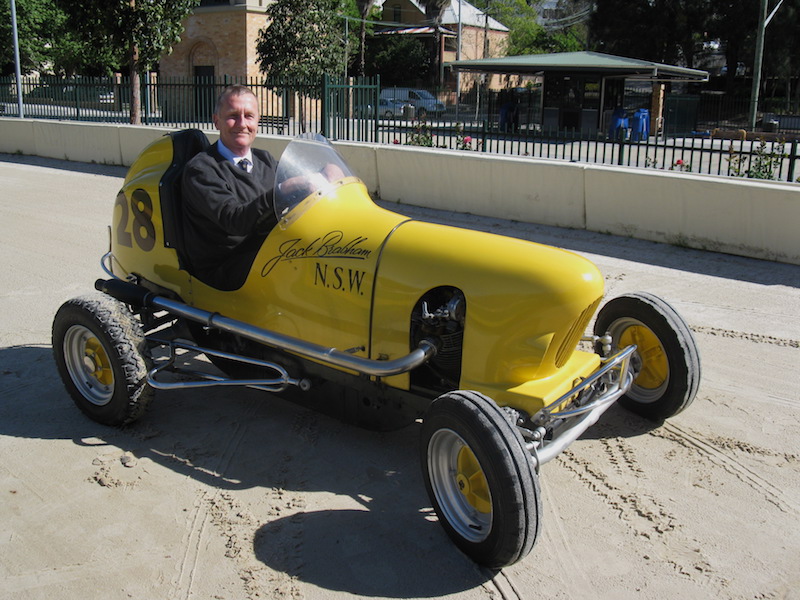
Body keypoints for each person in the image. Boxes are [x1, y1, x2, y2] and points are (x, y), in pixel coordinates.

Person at [182, 84, 278, 291]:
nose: (242, 124)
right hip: (224, 268)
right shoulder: (201, 169)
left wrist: (322, 175)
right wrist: (281, 193)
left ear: (258, 121)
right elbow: (234, 220)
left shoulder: (266, 160)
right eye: (233, 115)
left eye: (249, 116)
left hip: (267, 251)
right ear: (217, 121)